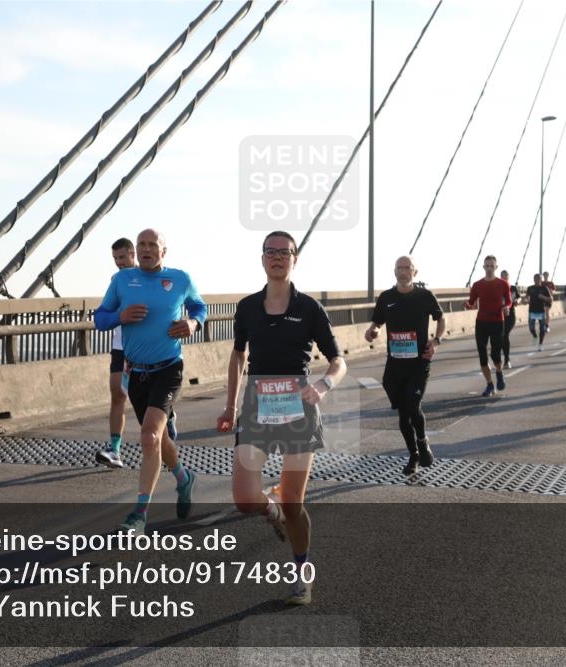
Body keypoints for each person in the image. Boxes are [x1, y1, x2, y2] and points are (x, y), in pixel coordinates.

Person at [219, 231, 347, 606]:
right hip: (258, 405)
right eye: (270, 252)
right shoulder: (246, 308)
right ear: (262, 259)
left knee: (294, 503)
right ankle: (268, 509)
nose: (277, 257)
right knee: (244, 499)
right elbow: (238, 356)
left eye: (284, 252)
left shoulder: (309, 309)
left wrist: (323, 385)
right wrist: (230, 405)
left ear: (294, 259)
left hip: (298, 408)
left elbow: (338, 361)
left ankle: (301, 571)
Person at [93, 229, 206, 534]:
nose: (145, 249)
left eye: (152, 245)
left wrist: (194, 323)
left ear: (163, 251)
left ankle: (139, 515)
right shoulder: (121, 281)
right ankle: (184, 478)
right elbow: (99, 318)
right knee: (157, 439)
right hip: (136, 372)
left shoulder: (180, 279)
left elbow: (200, 307)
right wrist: (120, 314)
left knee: (149, 438)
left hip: (168, 369)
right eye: (141, 244)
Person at [365, 256, 445, 475]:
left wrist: (435, 341)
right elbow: (377, 322)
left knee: (412, 407)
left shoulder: (425, 296)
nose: (403, 272)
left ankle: (422, 442)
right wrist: (373, 331)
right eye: (399, 268)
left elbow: (441, 319)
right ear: (394, 271)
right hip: (395, 365)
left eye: (407, 268)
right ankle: (413, 455)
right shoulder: (386, 297)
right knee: (403, 415)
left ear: (414, 272)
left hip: (419, 363)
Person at [96, 238, 136, 469]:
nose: (118, 263)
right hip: (120, 346)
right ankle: (115, 450)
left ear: (133, 254)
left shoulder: (148, 278)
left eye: (122, 257)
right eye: (115, 259)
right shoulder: (116, 280)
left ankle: (168, 419)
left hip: (143, 347)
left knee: (148, 398)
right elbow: (106, 311)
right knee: (118, 394)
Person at [464, 255, 512, 397]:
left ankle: (499, 372)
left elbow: (509, 301)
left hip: (498, 321)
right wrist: (467, 305)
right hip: (482, 322)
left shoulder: (503, 284)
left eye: (492, 266)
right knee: (482, 355)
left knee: (495, 354)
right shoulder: (477, 285)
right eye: (487, 266)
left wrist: (507, 307)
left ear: (496, 267)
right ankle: (490, 384)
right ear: (484, 267)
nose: (489, 268)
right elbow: (471, 302)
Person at [525, 273, 552, 351]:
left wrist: (543, 297)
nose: (537, 280)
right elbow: (527, 297)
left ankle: (540, 344)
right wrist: (526, 300)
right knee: (531, 328)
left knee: (542, 328)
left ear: (541, 279)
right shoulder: (530, 288)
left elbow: (550, 299)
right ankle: (535, 336)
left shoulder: (545, 288)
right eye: (535, 278)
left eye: (538, 278)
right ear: (533, 279)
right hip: (532, 311)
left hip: (541, 311)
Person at [500, 270, 520, 369]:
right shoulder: (497, 288)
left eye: (505, 276)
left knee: (505, 334)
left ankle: (506, 360)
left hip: (510, 316)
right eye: (502, 276)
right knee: (501, 337)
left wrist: (517, 301)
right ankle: (503, 358)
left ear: (508, 277)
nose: (504, 278)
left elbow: (519, 297)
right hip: (499, 316)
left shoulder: (512, 288)